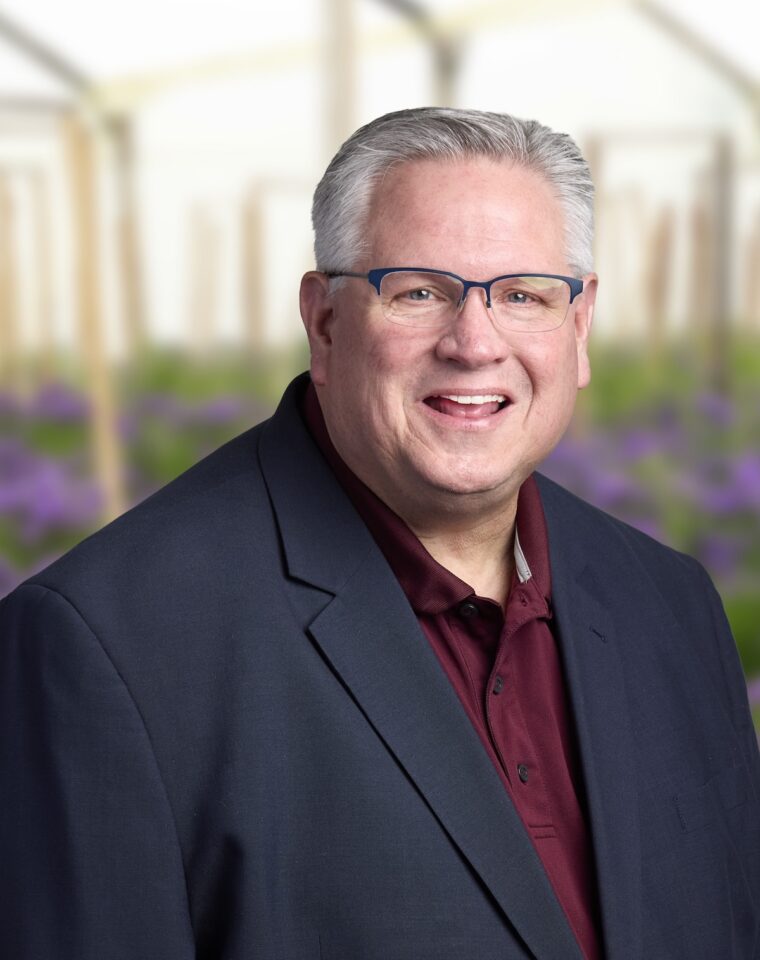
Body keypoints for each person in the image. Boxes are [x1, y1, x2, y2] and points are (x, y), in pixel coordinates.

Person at [1, 107, 758, 960]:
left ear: (578, 329)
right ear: (324, 322)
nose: (475, 343)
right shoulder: (106, 646)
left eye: (523, 295)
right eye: (420, 292)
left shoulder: (671, 604)